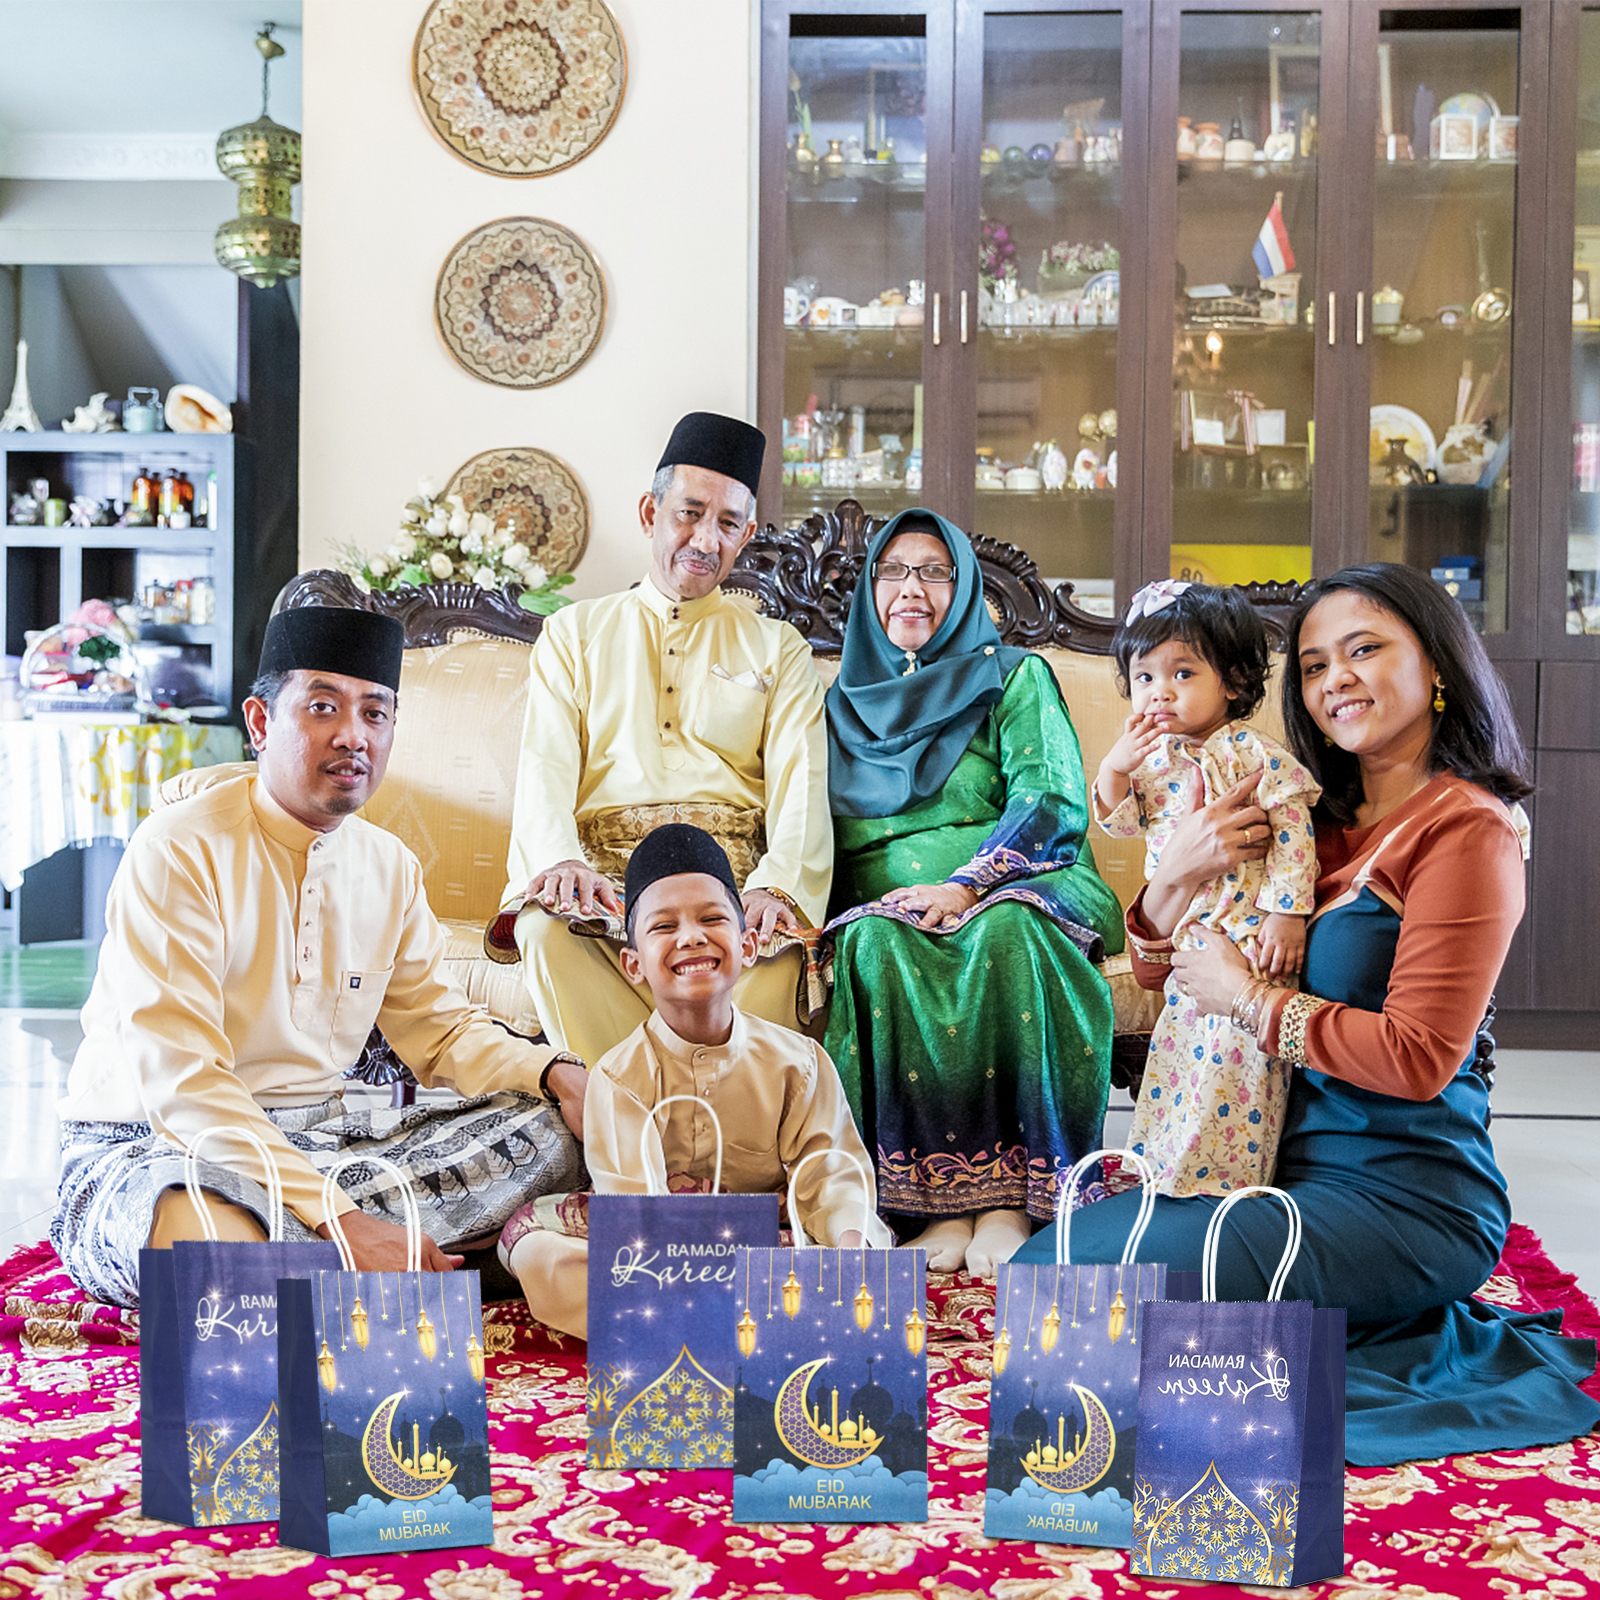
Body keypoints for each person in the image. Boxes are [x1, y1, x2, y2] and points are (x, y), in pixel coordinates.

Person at [1015, 563, 1600, 1465]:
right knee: (1048, 1272)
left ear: (1437, 663)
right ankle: (1340, 1313)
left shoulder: (1466, 831)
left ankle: (1371, 1308)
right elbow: (1162, 973)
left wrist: (1251, 999)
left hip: (1404, 1194)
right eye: (1317, 664)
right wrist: (1177, 875)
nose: (1336, 681)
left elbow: (1419, 1058)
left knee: (1071, 1293)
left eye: (1365, 650)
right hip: (1265, 1169)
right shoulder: (1310, 818)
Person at [53, 607, 588, 1309]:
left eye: (375, 714)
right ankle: (426, 1253)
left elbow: (443, 1031)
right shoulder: (178, 848)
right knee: (192, 1229)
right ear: (260, 721)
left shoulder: (390, 866)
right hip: (159, 1142)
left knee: (552, 1131)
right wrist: (344, 1221)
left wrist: (558, 1073)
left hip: (323, 1140)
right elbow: (183, 1082)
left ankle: (321, 1269)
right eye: (323, 707)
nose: (353, 736)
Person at [820, 509, 1124, 1280]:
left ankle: (1012, 1204)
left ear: (964, 592)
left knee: (1007, 930)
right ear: (869, 589)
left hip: (1026, 879)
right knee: (874, 941)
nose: (911, 589)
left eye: (934, 572)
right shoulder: (840, 703)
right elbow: (817, 830)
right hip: (892, 903)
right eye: (893, 571)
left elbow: (1050, 797)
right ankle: (938, 1210)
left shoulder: (1014, 676)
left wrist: (967, 885)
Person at [494, 411, 832, 1066]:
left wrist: (779, 887)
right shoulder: (573, 634)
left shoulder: (778, 647)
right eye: (689, 513)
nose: (705, 539)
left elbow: (803, 784)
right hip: (607, 888)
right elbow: (545, 765)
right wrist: (560, 860)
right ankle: (632, 1107)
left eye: (727, 523)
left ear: (747, 536)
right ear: (651, 513)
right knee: (544, 930)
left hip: (731, 890)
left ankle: (691, 1109)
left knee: (780, 947)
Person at [500, 824, 889, 1338]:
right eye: (664, 926)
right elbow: (636, 1216)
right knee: (535, 1250)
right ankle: (767, 1318)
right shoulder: (617, 1077)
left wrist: (850, 1242)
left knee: (854, 1244)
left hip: (764, 1235)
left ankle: (685, 1324)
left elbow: (832, 1178)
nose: (691, 937)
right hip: (660, 1248)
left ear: (747, 945)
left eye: (712, 919)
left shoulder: (802, 1062)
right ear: (633, 964)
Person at [1093, 579, 1319, 1196]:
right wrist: (1114, 767)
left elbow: (1293, 828)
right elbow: (1120, 821)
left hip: (1247, 939)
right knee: (1177, 1060)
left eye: (1183, 673)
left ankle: (1225, 1182)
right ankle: (1162, 1171)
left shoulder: (1256, 755)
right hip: (1187, 941)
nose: (1160, 691)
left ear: (1235, 682)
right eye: (1144, 677)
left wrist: (1286, 913)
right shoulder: (1153, 761)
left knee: (1235, 1065)